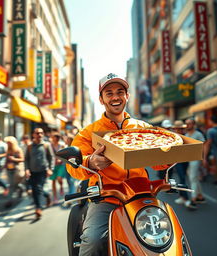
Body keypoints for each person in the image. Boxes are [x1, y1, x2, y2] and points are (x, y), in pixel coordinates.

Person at [66, 73, 172, 256]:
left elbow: (158, 164)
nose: (115, 97)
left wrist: (169, 156)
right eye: (109, 93)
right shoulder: (88, 132)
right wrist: (90, 162)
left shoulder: (144, 128)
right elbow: (72, 166)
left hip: (143, 195)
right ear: (101, 99)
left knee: (170, 240)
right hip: (107, 198)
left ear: (127, 96)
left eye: (120, 92)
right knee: (93, 239)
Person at [25, 128, 55, 219]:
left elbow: (51, 157)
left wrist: (50, 169)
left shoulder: (46, 145)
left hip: (43, 171)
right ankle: (47, 195)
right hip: (32, 171)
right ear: (33, 134)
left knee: (38, 188)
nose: (40, 135)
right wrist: (26, 169)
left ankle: (38, 208)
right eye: (37, 133)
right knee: (35, 190)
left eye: (41, 133)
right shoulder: (29, 146)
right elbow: (26, 159)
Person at [171, 121, 195, 209]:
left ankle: (184, 197)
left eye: (180, 128)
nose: (178, 130)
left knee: (182, 178)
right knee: (182, 178)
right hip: (178, 160)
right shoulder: (173, 136)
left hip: (185, 160)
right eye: (177, 128)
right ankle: (184, 197)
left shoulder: (185, 136)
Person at [185, 118, 206, 208]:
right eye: (186, 124)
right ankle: (200, 196)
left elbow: (203, 146)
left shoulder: (198, 134)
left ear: (193, 124)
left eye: (189, 124)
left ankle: (193, 199)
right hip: (189, 159)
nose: (187, 125)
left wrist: (204, 158)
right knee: (194, 177)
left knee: (193, 177)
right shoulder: (186, 134)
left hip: (196, 158)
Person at [4, 136, 25, 207]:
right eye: (7, 143)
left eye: (9, 143)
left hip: (16, 169)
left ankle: (21, 188)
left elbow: (22, 159)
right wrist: (5, 166)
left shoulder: (18, 149)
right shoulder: (8, 150)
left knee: (14, 184)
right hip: (9, 169)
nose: (8, 144)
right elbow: (7, 159)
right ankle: (10, 200)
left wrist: (14, 159)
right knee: (11, 185)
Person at [49, 132, 66, 204]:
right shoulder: (49, 145)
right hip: (52, 165)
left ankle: (61, 186)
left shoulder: (62, 145)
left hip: (61, 165)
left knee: (59, 178)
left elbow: (65, 154)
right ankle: (55, 197)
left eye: (55, 137)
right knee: (53, 181)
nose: (54, 139)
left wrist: (60, 159)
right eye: (53, 137)